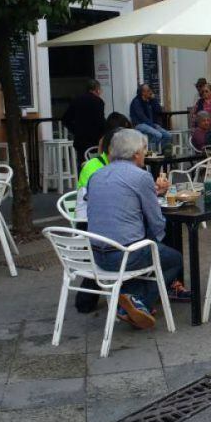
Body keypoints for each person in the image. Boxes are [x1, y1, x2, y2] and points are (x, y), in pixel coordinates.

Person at [86, 129, 190, 329]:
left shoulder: (96, 176)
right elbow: (157, 221)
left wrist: (151, 192)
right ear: (135, 154)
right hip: (124, 255)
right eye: (144, 149)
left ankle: (132, 298)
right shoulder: (140, 176)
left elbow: (112, 202)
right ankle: (137, 301)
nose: (145, 153)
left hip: (96, 255)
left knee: (146, 247)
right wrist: (158, 238)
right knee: (172, 259)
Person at [72, 117, 128, 314]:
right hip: (89, 226)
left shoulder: (103, 164)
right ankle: (131, 295)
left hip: (93, 222)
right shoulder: (97, 168)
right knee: (134, 238)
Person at [63, 79, 106, 157]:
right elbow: (100, 121)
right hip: (94, 140)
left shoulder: (76, 100)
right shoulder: (98, 101)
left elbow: (66, 119)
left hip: (80, 140)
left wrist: (75, 130)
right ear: (98, 90)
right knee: (96, 163)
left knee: (82, 162)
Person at [129, 84, 172, 153]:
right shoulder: (136, 102)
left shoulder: (149, 100)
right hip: (139, 124)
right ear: (143, 92)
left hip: (150, 124)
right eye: (149, 91)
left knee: (168, 135)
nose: (151, 92)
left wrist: (154, 99)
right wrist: (153, 125)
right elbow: (142, 117)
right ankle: (146, 152)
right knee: (158, 135)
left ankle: (159, 151)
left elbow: (159, 110)